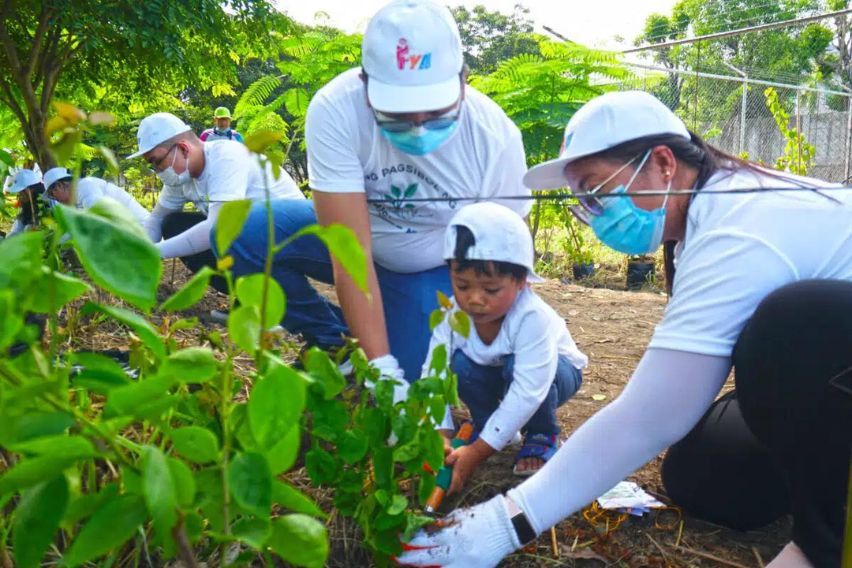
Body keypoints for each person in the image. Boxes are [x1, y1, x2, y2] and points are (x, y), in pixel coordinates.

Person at [397, 91, 852, 568]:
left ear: (663, 163)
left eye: (597, 191)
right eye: (582, 200)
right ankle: (822, 483)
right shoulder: (701, 224)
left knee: (791, 328)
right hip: (834, 389)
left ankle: (826, 541)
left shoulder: (737, 230)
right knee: (702, 476)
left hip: (832, 360)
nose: (594, 213)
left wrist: (505, 521)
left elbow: (652, 414)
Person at [221, 0, 530, 382]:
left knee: (417, 379)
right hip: (361, 246)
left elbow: (503, 258)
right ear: (365, 86)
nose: (418, 126)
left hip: (435, 268)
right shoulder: (336, 109)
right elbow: (349, 252)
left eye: (435, 111)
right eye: (399, 113)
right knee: (246, 233)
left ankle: (403, 334)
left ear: (464, 80)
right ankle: (335, 339)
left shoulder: (494, 138)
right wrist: (382, 368)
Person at [426, 202, 585, 488]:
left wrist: (476, 453)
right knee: (458, 366)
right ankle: (492, 427)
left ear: (521, 281)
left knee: (516, 368)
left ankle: (541, 434)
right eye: (462, 285)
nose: (475, 299)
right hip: (500, 373)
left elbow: (528, 389)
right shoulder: (451, 315)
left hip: (556, 375)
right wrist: (440, 434)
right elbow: (433, 373)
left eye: (491, 289)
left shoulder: (530, 317)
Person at [127, 112, 304, 293]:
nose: (158, 170)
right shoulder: (181, 178)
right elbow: (156, 220)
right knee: (173, 224)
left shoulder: (226, 157)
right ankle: (243, 295)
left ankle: (276, 294)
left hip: (288, 239)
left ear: (184, 148)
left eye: (157, 162)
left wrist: (155, 252)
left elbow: (218, 228)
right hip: (250, 238)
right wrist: (136, 254)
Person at [42, 167, 151, 229]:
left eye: (52, 195)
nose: (55, 199)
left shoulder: (85, 186)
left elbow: (98, 222)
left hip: (143, 231)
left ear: (59, 186)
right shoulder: (77, 199)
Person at [5, 169, 48, 236]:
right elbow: (17, 229)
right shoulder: (26, 205)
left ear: (30, 190)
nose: (19, 196)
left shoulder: (47, 203)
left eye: (21, 192)